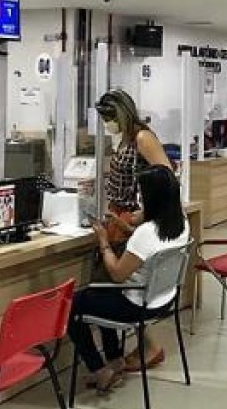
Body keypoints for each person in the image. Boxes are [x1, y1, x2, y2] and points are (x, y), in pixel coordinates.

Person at [67, 165, 190, 393]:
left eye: (142, 194)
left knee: (71, 305)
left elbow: (117, 273)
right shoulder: (181, 222)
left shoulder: (146, 232)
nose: (139, 200)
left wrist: (103, 240)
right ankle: (115, 361)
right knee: (99, 295)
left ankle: (98, 368)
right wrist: (126, 228)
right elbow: (153, 245)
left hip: (138, 306)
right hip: (165, 299)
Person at [94, 88, 172, 371]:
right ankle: (125, 352)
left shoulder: (142, 138)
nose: (107, 124)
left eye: (109, 118)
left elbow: (165, 178)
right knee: (113, 284)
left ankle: (127, 354)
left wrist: (139, 218)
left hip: (128, 217)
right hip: (117, 214)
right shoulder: (125, 139)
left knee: (113, 282)